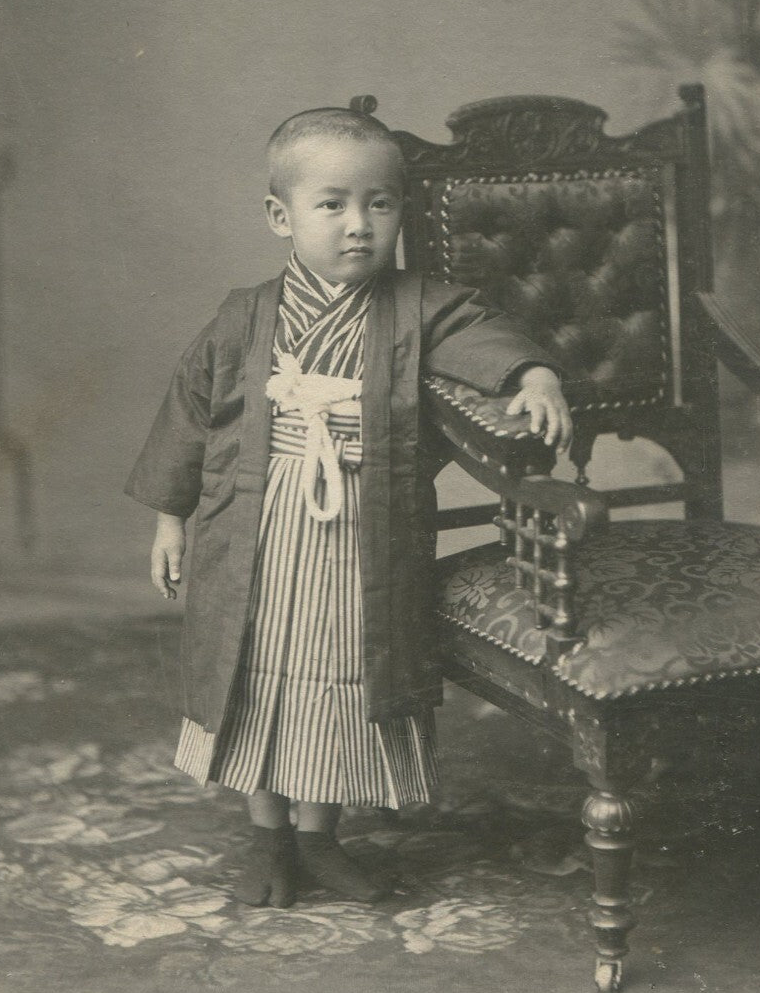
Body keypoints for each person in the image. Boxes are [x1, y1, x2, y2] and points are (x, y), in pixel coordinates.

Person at [125, 107, 572, 909]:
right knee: (257, 676)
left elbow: (485, 333)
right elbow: (188, 413)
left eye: (382, 203)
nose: (360, 227)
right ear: (280, 216)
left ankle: (318, 836)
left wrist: (531, 377)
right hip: (255, 526)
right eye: (332, 204)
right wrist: (170, 518)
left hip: (363, 535)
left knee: (339, 677)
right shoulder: (243, 318)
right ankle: (267, 836)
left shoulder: (419, 305)